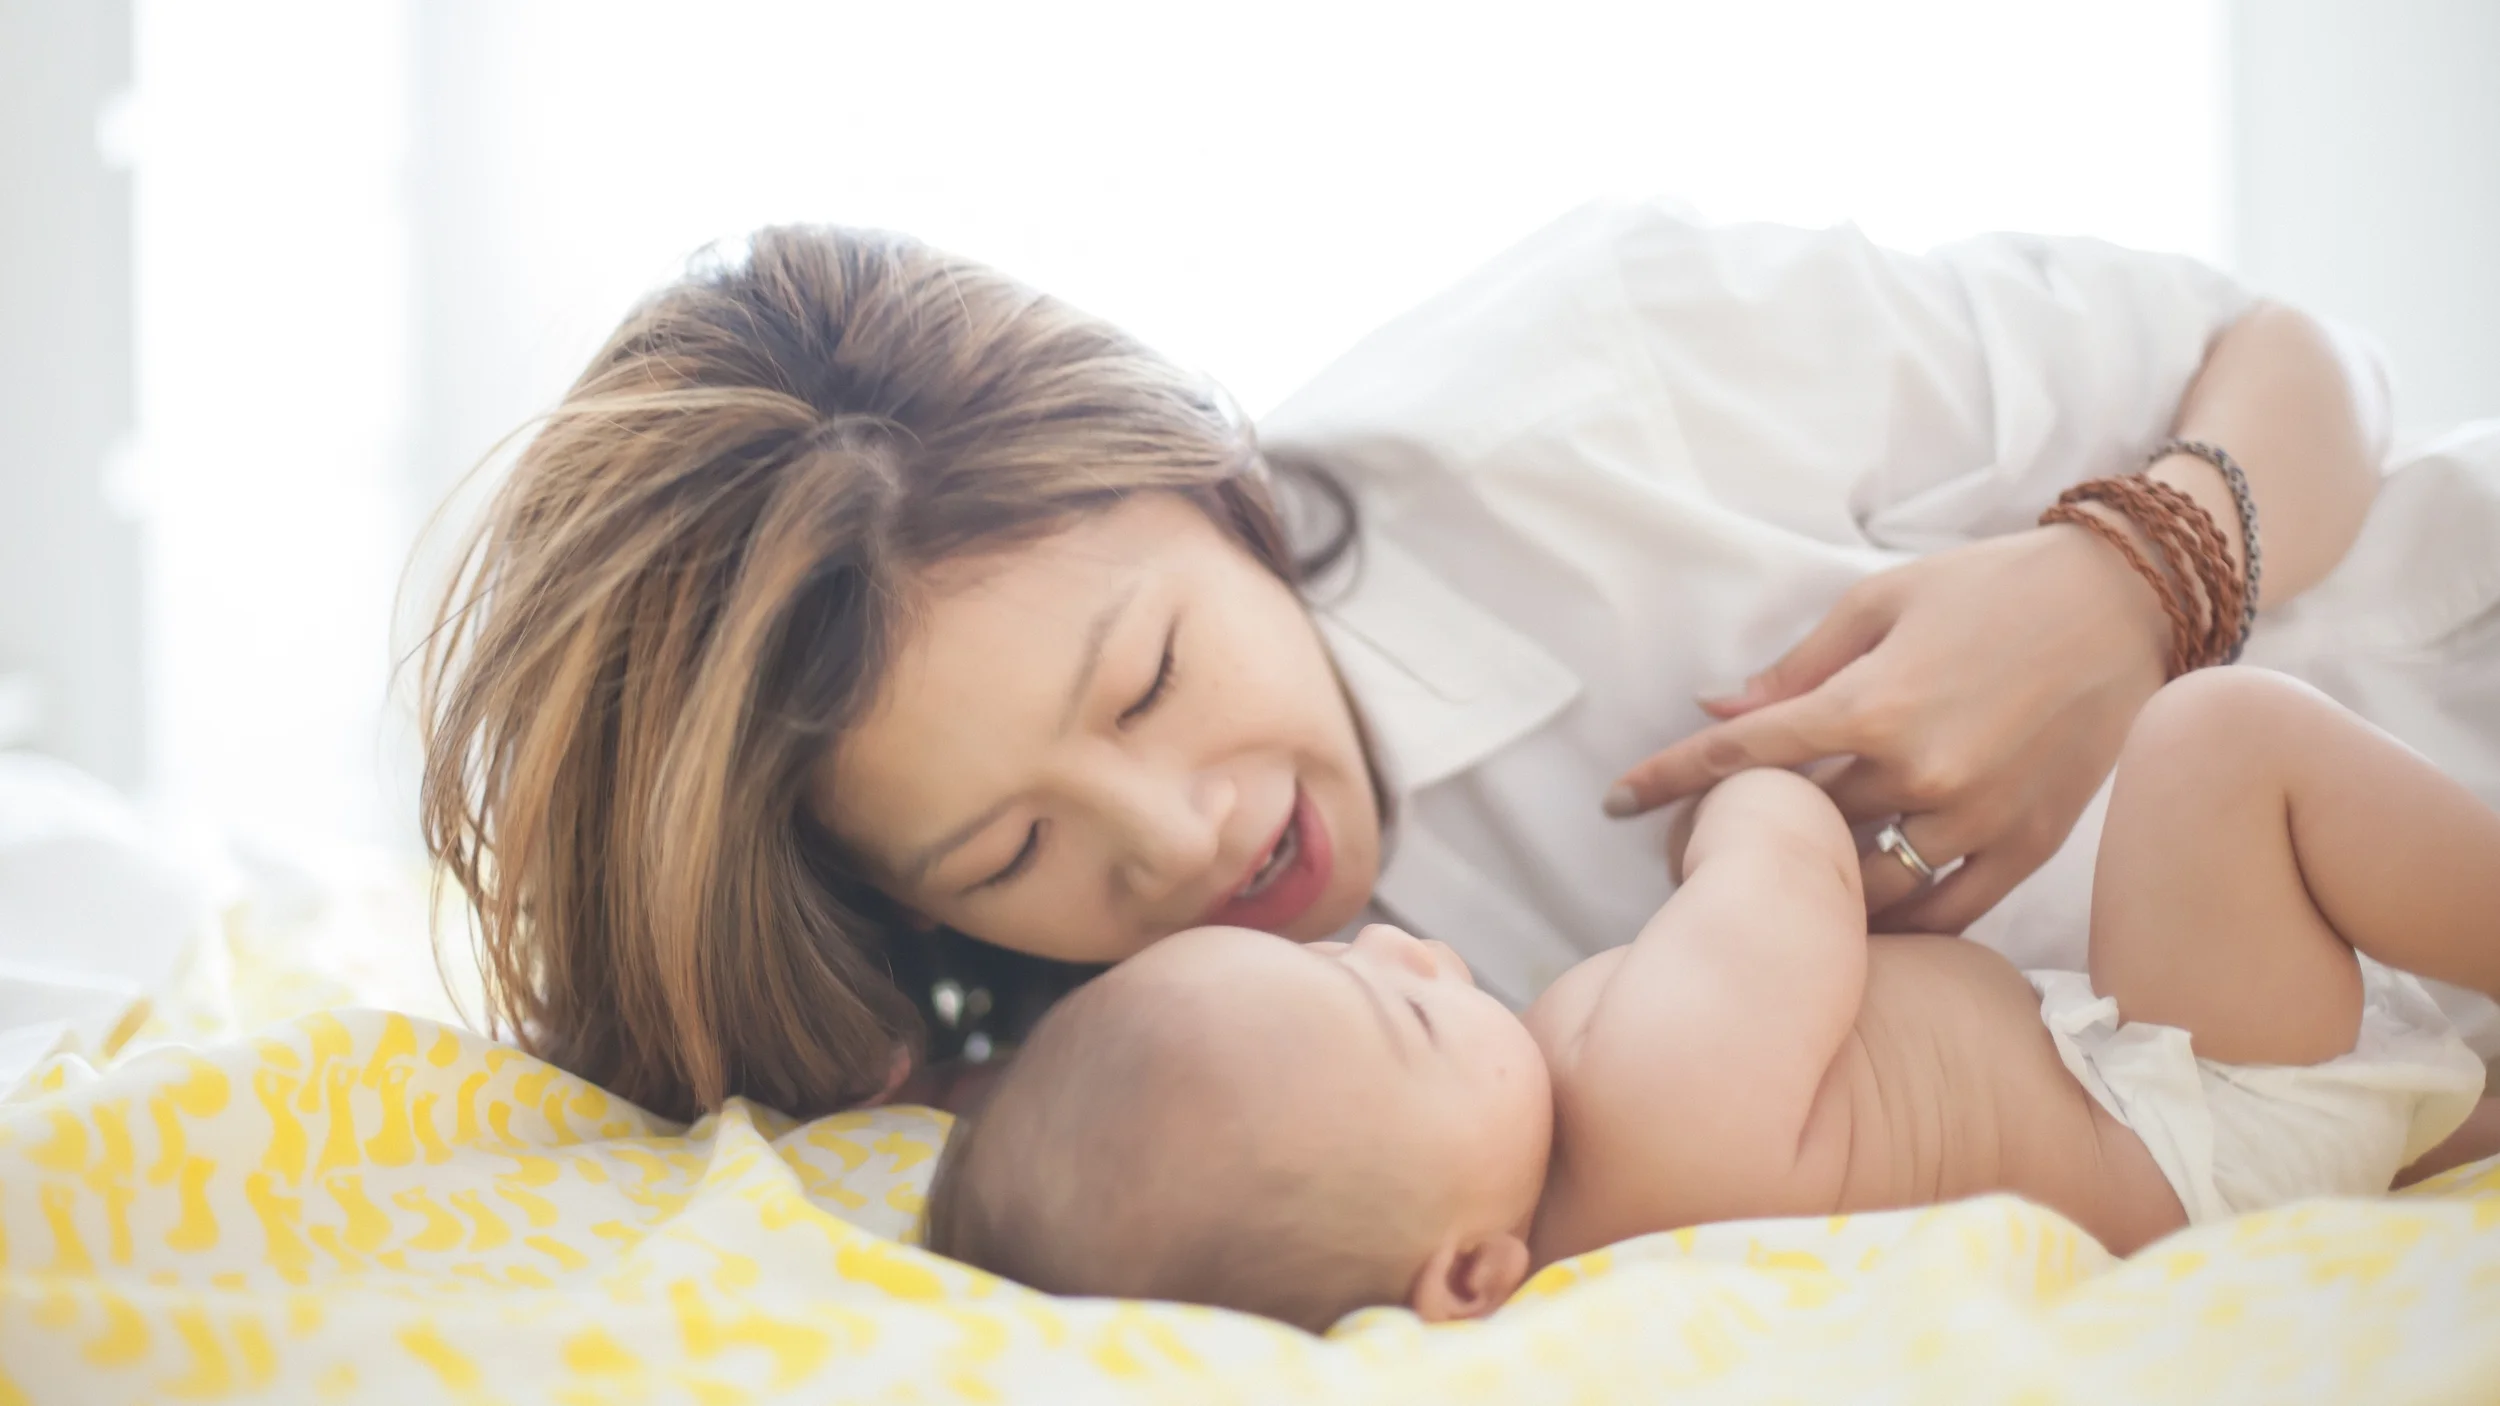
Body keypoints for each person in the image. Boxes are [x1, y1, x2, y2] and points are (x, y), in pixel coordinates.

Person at [419, 200, 2500, 1122]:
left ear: (1205, 481)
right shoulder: (1185, 1100)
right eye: (1003, 848)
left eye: (1142, 680)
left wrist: (2128, 579)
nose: (1176, 839)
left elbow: (2303, 358)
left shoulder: (1603, 375)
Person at [921, 668, 2499, 1334]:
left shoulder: (1591, 1239)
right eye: (1392, 1014)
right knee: (2220, 741)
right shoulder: (1650, 1090)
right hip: (2193, 1112)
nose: (1401, 950)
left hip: (2177, 1150)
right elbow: (1796, 879)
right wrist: (1735, 819)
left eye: (1337, 957)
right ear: (1462, 1272)